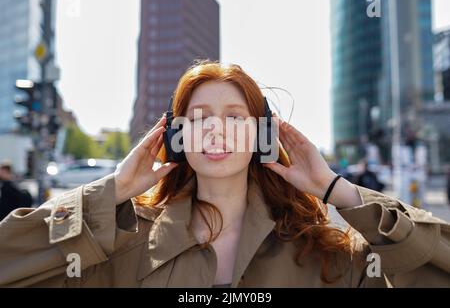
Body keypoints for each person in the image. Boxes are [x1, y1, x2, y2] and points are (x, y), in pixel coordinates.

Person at [0, 61, 449, 288]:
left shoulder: (330, 253)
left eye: (235, 117)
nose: (216, 130)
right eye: (199, 118)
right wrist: (112, 191)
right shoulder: (119, 244)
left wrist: (339, 191)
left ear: (263, 135)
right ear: (174, 136)